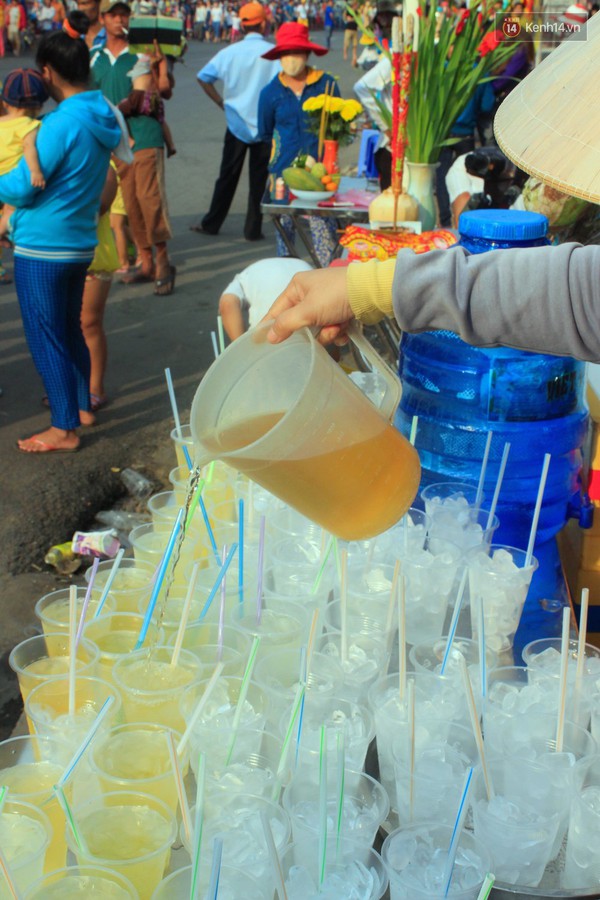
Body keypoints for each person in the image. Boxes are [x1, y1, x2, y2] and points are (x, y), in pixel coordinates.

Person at [264, 17, 600, 363]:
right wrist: (368, 287)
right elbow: (572, 291)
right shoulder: (273, 91)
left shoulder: (331, 83)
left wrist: (374, 288)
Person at [0, 12, 122, 453]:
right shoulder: (99, 114)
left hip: (43, 246)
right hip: (77, 242)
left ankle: (64, 427)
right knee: (68, 330)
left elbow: (21, 186)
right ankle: (80, 407)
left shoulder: (61, 123)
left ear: (48, 73)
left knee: (45, 333)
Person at [91, 0, 176, 295]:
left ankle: (163, 260)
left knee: (149, 198)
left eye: (123, 14)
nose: (119, 19)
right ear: (102, 18)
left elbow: (143, 98)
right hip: (112, 141)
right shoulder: (94, 56)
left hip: (144, 135)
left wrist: (158, 65)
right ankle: (146, 261)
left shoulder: (142, 52)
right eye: (113, 14)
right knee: (131, 202)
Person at [191, 1, 279, 240]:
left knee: (227, 176)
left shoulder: (229, 52)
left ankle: (212, 223)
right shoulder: (273, 53)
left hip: (236, 123)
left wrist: (221, 102)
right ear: (263, 24)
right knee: (259, 180)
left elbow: (203, 78)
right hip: (264, 126)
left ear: (242, 25)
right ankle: (253, 229)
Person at [258, 22, 340, 266]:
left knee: (324, 239)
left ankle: (327, 287)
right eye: (285, 53)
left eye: (296, 52)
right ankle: (288, 286)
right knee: (285, 240)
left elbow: (337, 127)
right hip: (282, 173)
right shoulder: (270, 92)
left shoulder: (326, 85)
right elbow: (264, 133)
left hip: (320, 176)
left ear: (306, 53)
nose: (291, 58)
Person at [0, 68, 48, 241]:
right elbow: (29, 147)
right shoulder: (30, 125)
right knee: (9, 211)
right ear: (39, 105)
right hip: (12, 177)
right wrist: (35, 171)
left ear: (5, 102)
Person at [219, 256, 312, 339]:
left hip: (265, 331)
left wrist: (239, 348)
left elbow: (227, 303)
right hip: (310, 332)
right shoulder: (310, 269)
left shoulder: (251, 271)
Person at [118, 53, 176, 157]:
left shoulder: (151, 57)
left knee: (117, 112)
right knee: (161, 120)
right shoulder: (160, 62)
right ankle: (171, 145)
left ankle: (128, 139)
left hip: (138, 95)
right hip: (153, 97)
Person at [342, 0, 358, 66]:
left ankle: (354, 55)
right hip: (348, 29)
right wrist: (351, 18)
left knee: (355, 44)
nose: (356, 6)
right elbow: (346, 18)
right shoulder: (348, 11)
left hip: (355, 29)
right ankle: (345, 53)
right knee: (347, 43)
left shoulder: (356, 12)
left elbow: (358, 19)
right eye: (355, 5)